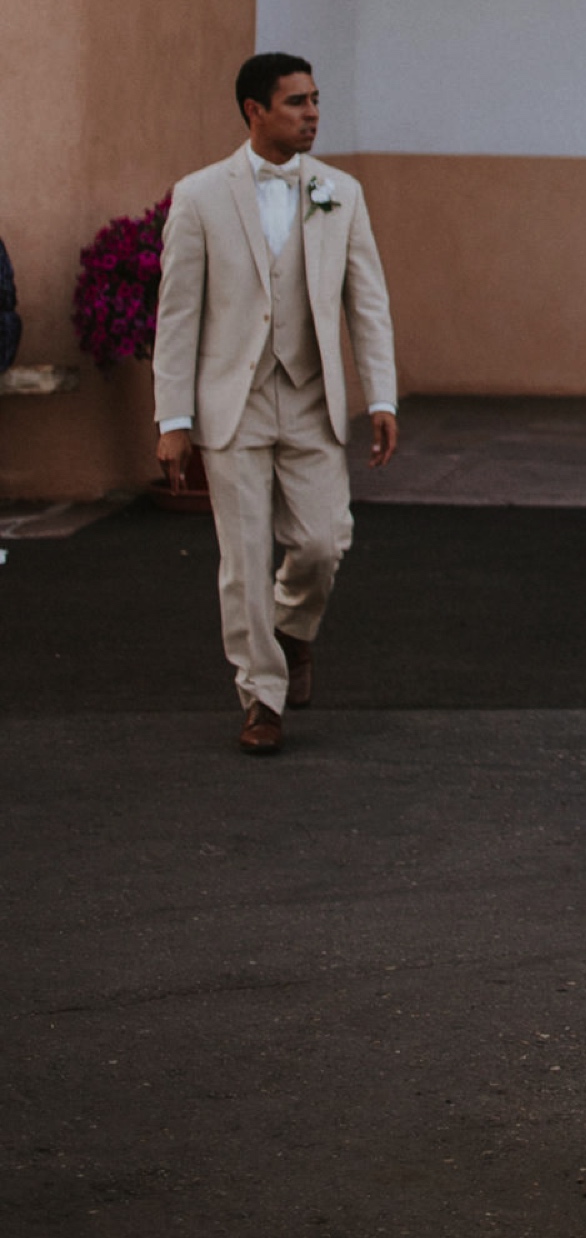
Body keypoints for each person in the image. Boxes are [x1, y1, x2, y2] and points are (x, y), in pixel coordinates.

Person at [153, 53, 398, 755]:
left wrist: (380, 395)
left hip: (313, 400)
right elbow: (178, 317)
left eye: (316, 100)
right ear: (254, 111)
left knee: (323, 544)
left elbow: (368, 304)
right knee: (245, 556)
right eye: (296, 102)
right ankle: (262, 695)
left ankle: (291, 631)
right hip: (233, 404)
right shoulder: (199, 197)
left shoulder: (340, 193)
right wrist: (173, 421)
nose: (313, 113)